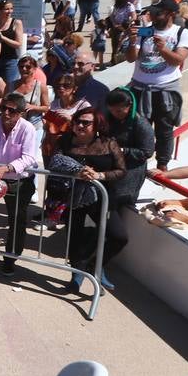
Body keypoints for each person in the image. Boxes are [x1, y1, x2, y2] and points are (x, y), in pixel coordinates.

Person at [54, 109, 126, 292]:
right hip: (75, 199)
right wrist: (77, 172)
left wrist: (98, 175)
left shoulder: (108, 143)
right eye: (77, 121)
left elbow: (121, 170)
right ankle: (76, 278)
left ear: (97, 126)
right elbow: (55, 164)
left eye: (86, 123)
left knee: (118, 236)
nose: (79, 125)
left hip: (103, 198)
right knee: (75, 238)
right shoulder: (65, 141)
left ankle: (95, 266)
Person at [0, 93, 43, 275]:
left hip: (19, 181)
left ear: (20, 113)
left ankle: (10, 258)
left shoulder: (28, 129)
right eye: (4, 108)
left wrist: (5, 169)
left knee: (17, 221)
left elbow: (29, 157)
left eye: (11, 110)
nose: (5, 113)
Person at [125, 0, 188, 170]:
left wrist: (163, 49)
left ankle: (162, 165)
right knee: (138, 128)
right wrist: (132, 41)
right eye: (152, 12)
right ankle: (138, 164)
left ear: (170, 14)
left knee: (164, 129)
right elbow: (131, 58)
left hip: (165, 90)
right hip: (140, 88)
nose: (153, 16)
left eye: (158, 12)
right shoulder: (144, 32)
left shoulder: (182, 33)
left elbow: (177, 60)